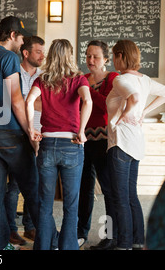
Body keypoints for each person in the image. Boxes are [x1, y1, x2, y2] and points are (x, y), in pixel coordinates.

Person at [0, 16, 40, 250]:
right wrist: (30, 131)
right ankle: (48, 241)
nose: (23, 43)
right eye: (21, 38)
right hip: (9, 133)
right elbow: (16, 99)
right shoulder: (9, 57)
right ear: (13, 35)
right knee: (33, 187)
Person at [26, 39, 92, 250]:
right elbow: (88, 101)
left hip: (47, 145)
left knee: (45, 204)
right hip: (72, 144)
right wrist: (81, 131)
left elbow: (28, 102)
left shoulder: (42, 79)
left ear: (51, 55)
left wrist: (31, 128)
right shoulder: (79, 79)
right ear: (70, 55)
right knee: (71, 206)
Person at [106, 39, 165, 250]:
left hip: (121, 143)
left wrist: (117, 119)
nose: (113, 60)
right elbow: (164, 92)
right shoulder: (146, 79)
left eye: (114, 55)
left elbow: (134, 98)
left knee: (120, 197)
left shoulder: (120, 80)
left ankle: (124, 245)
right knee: (131, 196)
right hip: (136, 143)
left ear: (121, 55)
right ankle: (138, 241)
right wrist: (144, 112)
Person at [77, 40, 119, 250]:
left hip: (104, 141)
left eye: (95, 57)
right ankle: (81, 233)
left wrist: (86, 91)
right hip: (83, 141)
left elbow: (106, 106)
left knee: (108, 190)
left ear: (106, 59)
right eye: (88, 56)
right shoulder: (82, 78)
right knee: (83, 189)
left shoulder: (113, 79)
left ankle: (110, 236)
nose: (90, 60)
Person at [5, 35, 45, 245]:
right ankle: (11, 229)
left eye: (43, 51)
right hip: (18, 134)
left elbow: (45, 104)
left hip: (40, 133)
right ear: (26, 53)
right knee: (14, 186)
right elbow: (12, 103)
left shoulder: (45, 75)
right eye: (38, 51)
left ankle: (30, 227)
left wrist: (26, 102)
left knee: (36, 183)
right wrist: (30, 103)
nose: (42, 56)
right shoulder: (12, 72)